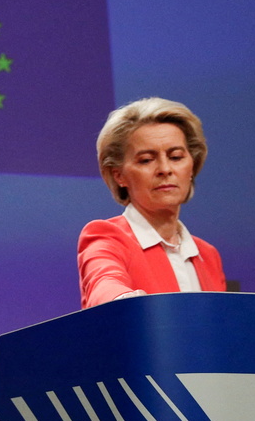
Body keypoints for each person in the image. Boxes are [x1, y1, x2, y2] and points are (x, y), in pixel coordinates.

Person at [77, 97, 224, 308]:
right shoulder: (107, 237)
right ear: (119, 175)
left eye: (176, 157)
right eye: (146, 160)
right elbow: (103, 283)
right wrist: (124, 303)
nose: (165, 169)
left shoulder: (207, 255)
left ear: (192, 166)